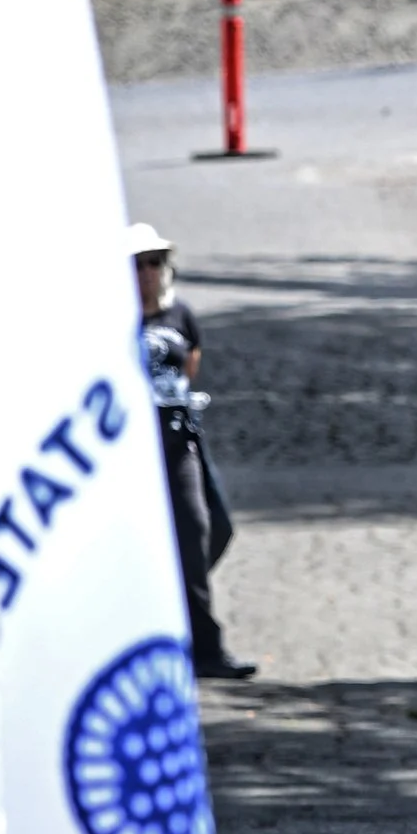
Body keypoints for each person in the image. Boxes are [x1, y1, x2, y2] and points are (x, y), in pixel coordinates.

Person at [131, 226, 254, 682]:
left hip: (181, 435)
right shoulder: (110, 319)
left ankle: (180, 610)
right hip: (136, 443)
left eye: (155, 262)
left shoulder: (179, 313)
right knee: (177, 536)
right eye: (138, 264)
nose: (147, 273)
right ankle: (204, 645)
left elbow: (192, 362)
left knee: (211, 528)